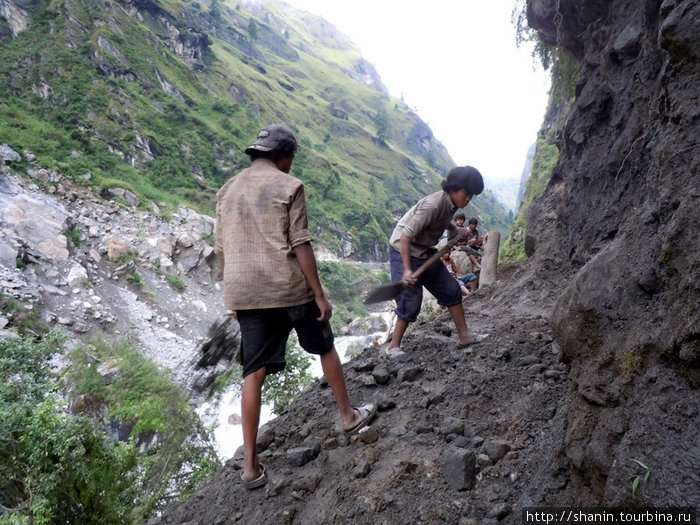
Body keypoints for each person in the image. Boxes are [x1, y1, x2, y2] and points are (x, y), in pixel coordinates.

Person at [215, 124, 376, 490]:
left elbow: (222, 249)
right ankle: (348, 416)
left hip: (246, 293)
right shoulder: (290, 186)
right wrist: (319, 293)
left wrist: (234, 297)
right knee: (325, 346)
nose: (292, 164)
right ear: (283, 156)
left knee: (252, 372)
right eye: (292, 157)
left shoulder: (227, 190)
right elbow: (301, 243)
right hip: (288, 288)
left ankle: (250, 468)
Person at [384, 166, 488, 357]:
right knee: (410, 299)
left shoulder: (451, 204)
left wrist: (456, 231)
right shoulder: (432, 205)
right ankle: (393, 347)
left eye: (472, 195)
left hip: (424, 250)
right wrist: (407, 270)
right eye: (467, 193)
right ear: (454, 188)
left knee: (450, 288)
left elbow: (442, 220)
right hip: (403, 250)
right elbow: (406, 236)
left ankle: (464, 336)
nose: (468, 199)